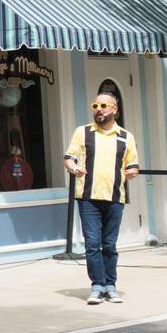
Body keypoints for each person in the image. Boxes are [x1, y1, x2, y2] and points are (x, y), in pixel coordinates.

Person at [64, 92, 139, 304]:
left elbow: (132, 165)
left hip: (115, 198)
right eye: (95, 105)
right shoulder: (83, 132)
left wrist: (132, 172)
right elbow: (69, 158)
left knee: (109, 245)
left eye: (104, 105)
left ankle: (111, 285)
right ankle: (97, 286)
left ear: (114, 109)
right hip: (88, 198)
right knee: (92, 244)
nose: (99, 109)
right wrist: (74, 167)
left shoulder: (125, 136)